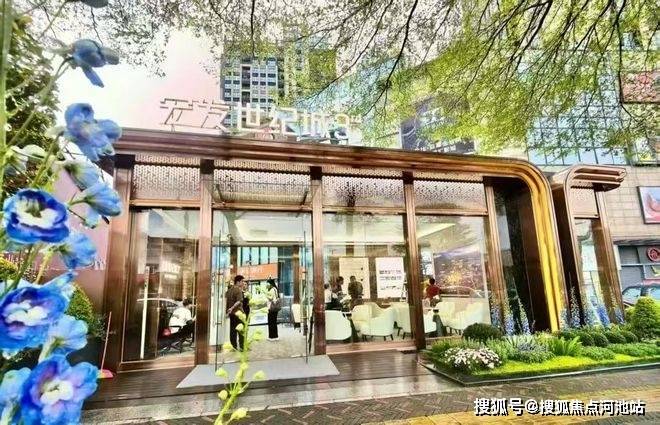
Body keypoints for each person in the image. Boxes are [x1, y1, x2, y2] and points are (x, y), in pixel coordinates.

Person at [226, 275, 245, 350]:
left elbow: (226, 300)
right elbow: (239, 301)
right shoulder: (238, 290)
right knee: (241, 330)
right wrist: (232, 308)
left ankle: (234, 346)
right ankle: (242, 347)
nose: (243, 283)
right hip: (238, 313)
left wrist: (228, 310)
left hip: (232, 314)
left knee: (233, 330)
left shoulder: (229, 290)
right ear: (238, 282)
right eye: (242, 281)